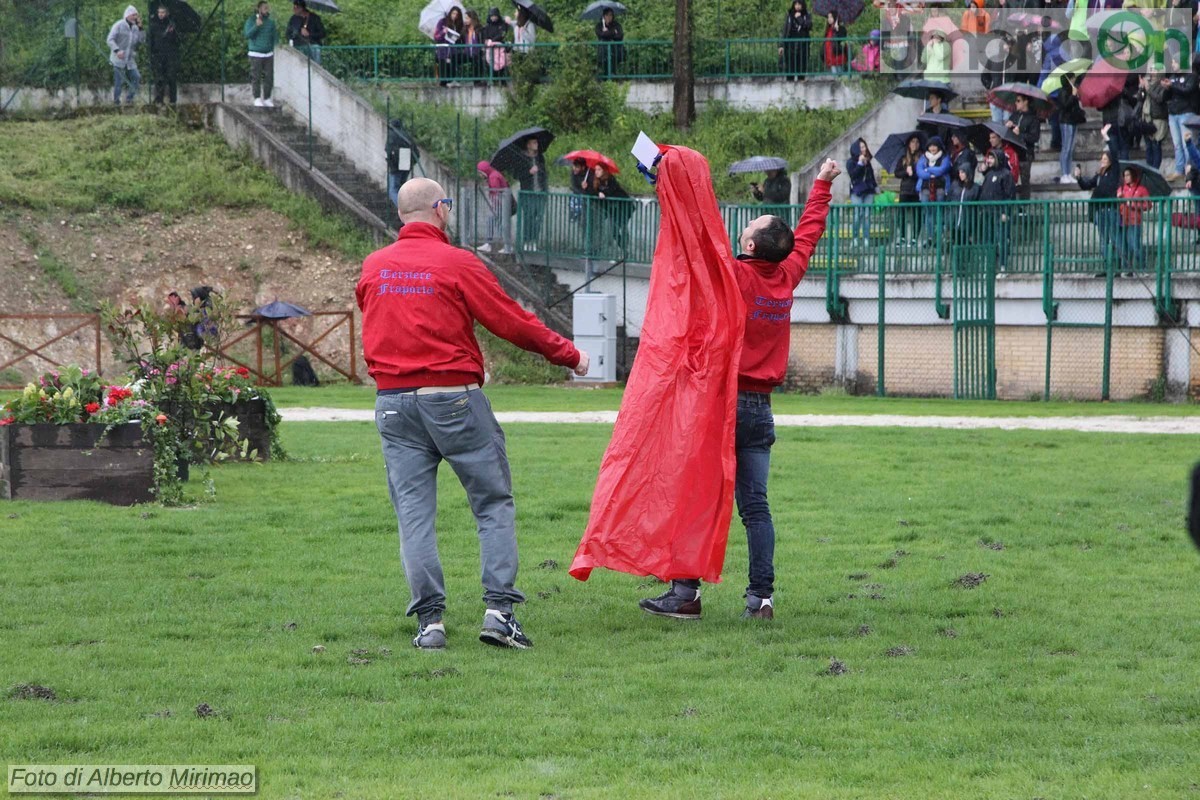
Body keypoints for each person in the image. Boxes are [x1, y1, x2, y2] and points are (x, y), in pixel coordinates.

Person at [356, 177, 589, 651]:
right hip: (453, 397)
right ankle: (500, 613)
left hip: (394, 403)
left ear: (403, 215)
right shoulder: (458, 262)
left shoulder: (374, 265)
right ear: (440, 209)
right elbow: (510, 320)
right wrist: (568, 354)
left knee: (414, 516)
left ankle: (430, 624)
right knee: (491, 503)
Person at [637, 158, 842, 622]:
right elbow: (808, 233)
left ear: (749, 245)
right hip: (760, 410)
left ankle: (686, 594)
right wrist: (823, 185)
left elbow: (693, 243)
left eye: (746, 226)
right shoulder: (786, 277)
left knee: (697, 497)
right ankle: (761, 599)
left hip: (720, 405)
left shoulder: (734, 277)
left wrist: (668, 187)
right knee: (756, 507)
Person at [1074, 147, 1121, 267]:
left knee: (1115, 238)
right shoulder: (1099, 175)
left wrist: (1107, 138)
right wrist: (1079, 178)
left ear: (1110, 161)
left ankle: (1118, 265)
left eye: (1105, 159)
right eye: (1102, 159)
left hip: (1111, 210)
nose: (1103, 161)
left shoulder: (1114, 172)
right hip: (1100, 211)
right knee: (1103, 240)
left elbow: (1115, 156)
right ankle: (1106, 266)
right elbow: (1087, 185)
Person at [978, 149, 1016, 269]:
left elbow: (1010, 195)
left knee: (1002, 239)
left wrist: (1006, 211)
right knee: (988, 240)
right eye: (989, 158)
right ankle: (989, 265)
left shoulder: (1006, 174)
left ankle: (1003, 265)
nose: (989, 160)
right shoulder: (988, 174)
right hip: (987, 212)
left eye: (992, 158)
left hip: (1000, 212)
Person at [583, 163, 632, 254]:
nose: (596, 172)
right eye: (596, 169)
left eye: (599, 170)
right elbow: (594, 193)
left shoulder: (610, 179)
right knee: (614, 230)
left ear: (604, 171)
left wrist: (602, 193)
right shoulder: (596, 181)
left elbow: (610, 191)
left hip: (623, 206)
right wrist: (586, 188)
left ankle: (625, 248)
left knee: (622, 227)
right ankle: (624, 247)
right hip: (613, 209)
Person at [1165, 57, 1199, 180]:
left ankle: (1189, 169)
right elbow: (1167, 96)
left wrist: (1172, 86)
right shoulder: (1172, 77)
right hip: (1173, 113)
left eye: (1175, 61)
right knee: (1177, 144)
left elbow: (1187, 90)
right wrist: (1166, 88)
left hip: (1186, 113)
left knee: (1187, 143)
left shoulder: (1192, 76)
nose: (1172, 64)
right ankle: (1179, 170)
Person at [916, 136, 952, 247]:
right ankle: (930, 237)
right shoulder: (923, 158)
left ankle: (939, 238)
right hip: (926, 188)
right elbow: (920, 172)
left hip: (940, 188)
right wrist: (932, 173)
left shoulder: (944, 157)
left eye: (934, 146)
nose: (932, 148)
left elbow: (942, 170)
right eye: (930, 146)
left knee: (939, 212)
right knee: (928, 213)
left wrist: (928, 169)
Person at [515, 137, 548, 251]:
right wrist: (529, 172)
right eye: (534, 142)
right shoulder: (521, 158)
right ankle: (526, 241)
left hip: (540, 193)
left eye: (537, 141)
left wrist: (545, 190)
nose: (536, 144)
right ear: (528, 145)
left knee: (538, 219)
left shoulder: (540, 157)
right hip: (528, 193)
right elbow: (517, 175)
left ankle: (534, 241)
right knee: (528, 217)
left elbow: (544, 173)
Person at [107, 6, 144, 107]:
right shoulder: (119, 25)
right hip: (118, 58)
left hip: (130, 59)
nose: (135, 17)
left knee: (136, 77)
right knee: (119, 81)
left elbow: (141, 41)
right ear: (128, 15)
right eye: (133, 15)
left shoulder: (136, 28)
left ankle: (129, 99)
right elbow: (110, 39)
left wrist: (141, 28)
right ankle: (116, 102)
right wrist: (117, 50)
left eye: (136, 15)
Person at [243, 1, 278, 107]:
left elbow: (275, 37)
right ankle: (257, 98)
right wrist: (256, 26)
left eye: (267, 8)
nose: (266, 10)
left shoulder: (271, 23)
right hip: (255, 53)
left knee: (269, 77)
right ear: (259, 9)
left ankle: (267, 97)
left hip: (268, 54)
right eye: (264, 8)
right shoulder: (251, 20)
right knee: (256, 76)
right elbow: (247, 35)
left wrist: (274, 47)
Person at [1006, 94, 1040, 201]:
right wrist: (1007, 127)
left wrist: (1019, 134)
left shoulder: (1033, 119)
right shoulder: (1014, 115)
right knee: (1010, 180)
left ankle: (1023, 207)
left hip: (1025, 154)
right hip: (1012, 152)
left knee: (1024, 182)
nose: (1016, 103)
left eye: (1018, 101)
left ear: (1026, 102)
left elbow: (1034, 137)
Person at [1116, 166, 1150, 271]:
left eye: (1128, 175)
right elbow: (1117, 205)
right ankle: (1126, 269)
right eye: (1124, 175)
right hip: (1122, 220)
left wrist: (1133, 205)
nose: (1126, 177)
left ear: (1133, 175)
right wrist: (1119, 200)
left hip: (1135, 221)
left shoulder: (1142, 189)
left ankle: (1142, 267)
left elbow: (1147, 205)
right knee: (1123, 247)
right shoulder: (1121, 189)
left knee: (1134, 245)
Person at [476, 160, 513, 254]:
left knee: (495, 223)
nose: (480, 175)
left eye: (480, 173)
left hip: (500, 205)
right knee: (500, 224)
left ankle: (492, 244)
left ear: (484, 171)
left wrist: (495, 206)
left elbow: (496, 192)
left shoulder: (493, 177)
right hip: (502, 205)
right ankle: (505, 245)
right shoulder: (494, 175)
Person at [1056, 73, 1085, 184]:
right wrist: (1073, 96)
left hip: (1073, 121)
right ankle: (1064, 174)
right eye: (1072, 78)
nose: (1074, 80)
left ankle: (1068, 173)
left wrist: (1077, 96)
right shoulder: (1063, 92)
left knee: (1071, 149)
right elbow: (1065, 106)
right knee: (1066, 148)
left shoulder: (1074, 90)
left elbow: (1075, 106)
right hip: (1066, 122)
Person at [847, 138, 877, 248]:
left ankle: (866, 238)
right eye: (861, 147)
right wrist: (860, 163)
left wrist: (875, 187)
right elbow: (853, 175)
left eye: (864, 147)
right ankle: (855, 238)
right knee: (857, 215)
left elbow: (871, 176)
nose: (864, 149)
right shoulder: (851, 162)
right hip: (857, 192)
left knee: (867, 216)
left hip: (868, 191)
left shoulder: (868, 162)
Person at [148, 4, 179, 105]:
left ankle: (173, 100)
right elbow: (150, 41)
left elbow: (177, 42)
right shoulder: (154, 25)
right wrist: (152, 54)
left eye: (163, 12)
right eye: (159, 12)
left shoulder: (172, 25)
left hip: (170, 55)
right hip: (158, 55)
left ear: (167, 13)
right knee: (159, 78)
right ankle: (159, 99)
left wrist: (172, 33)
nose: (160, 14)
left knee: (171, 77)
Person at [386, 119, 417, 211]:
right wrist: (411, 164)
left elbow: (388, 149)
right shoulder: (406, 135)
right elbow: (416, 153)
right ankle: (407, 206)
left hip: (395, 166)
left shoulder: (392, 135)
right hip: (406, 164)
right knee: (401, 188)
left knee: (393, 190)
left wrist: (391, 162)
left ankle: (403, 209)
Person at [896, 133, 922, 246]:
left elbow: (922, 172)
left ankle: (915, 237)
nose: (914, 144)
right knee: (901, 214)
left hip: (916, 189)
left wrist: (914, 173)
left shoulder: (921, 158)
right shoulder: (903, 158)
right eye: (912, 142)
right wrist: (906, 172)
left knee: (917, 214)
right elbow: (897, 173)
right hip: (905, 189)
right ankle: (902, 236)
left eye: (916, 142)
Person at [780, 0, 812, 79]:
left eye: (799, 4)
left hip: (803, 45)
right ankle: (789, 86)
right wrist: (781, 45)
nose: (797, 6)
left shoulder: (807, 14)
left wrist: (799, 18)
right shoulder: (789, 15)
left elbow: (809, 26)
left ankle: (801, 82)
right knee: (790, 67)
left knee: (801, 66)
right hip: (791, 45)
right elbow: (785, 30)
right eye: (796, 4)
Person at [286, 0, 325, 64]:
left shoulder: (315, 18)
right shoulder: (293, 19)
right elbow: (288, 34)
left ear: (301, 8)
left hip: (313, 45)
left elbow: (322, 33)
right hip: (299, 46)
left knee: (316, 66)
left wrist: (309, 34)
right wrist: (297, 33)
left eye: (295, 7)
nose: (293, 9)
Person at [949, 164, 981, 244]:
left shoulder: (975, 188)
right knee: (955, 241)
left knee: (964, 241)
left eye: (963, 172)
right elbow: (949, 199)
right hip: (954, 219)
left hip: (968, 220)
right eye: (959, 172)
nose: (960, 175)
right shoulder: (955, 185)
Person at [1146, 69, 1170, 170]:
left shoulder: (1163, 85)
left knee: (1156, 145)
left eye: (1154, 71)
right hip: (1149, 117)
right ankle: (1149, 168)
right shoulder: (1149, 84)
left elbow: (1160, 98)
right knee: (1149, 146)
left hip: (1159, 118)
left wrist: (1148, 90)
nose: (1152, 73)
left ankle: (1155, 169)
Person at [434, 7, 465, 85]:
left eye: (457, 14)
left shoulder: (458, 24)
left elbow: (461, 39)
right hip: (443, 49)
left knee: (452, 64)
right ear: (450, 13)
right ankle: (443, 82)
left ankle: (452, 80)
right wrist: (443, 32)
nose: (455, 16)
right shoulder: (442, 22)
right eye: (453, 13)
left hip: (453, 49)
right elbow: (436, 36)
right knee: (443, 65)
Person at [595, 7, 624, 76]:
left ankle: (613, 75)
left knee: (614, 59)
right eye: (607, 15)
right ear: (604, 16)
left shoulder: (616, 25)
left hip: (615, 50)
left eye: (610, 15)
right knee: (604, 61)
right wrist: (613, 32)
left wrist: (607, 33)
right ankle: (605, 76)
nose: (609, 17)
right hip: (603, 50)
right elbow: (600, 34)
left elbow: (620, 36)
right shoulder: (599, 25)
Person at [482, 6, 510, 77]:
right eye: (492, 16)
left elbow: (502, 34)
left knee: (502, 63)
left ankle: (501, 79)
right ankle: (492, 79)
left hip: (500, 48)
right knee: (489, 62)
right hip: (490, 49)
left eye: (495, 16)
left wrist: (493, 41)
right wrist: (487, 41)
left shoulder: (502, 24)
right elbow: (485, 36)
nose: (493, 18)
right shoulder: (487, 26)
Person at [463, 10, 485, 82]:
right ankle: (452, 80)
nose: (465, 20)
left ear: (472, 19)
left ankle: (477, 80)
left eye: (467, 18)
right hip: (467, 52)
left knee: (477, 60)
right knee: (454, 57)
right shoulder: (464, 29)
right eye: (465, 18)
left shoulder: (479, 28)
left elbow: (482, 40)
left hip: (477, 52)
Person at [568, 157, 588, 221]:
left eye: (577, 167)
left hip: (586, 200)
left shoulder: (589, 174)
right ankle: (574, 214)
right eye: (574, 166)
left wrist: (585, 187)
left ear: (583, 167)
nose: (574, 168)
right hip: (577, 196)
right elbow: (573, 186)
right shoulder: (573, 173)